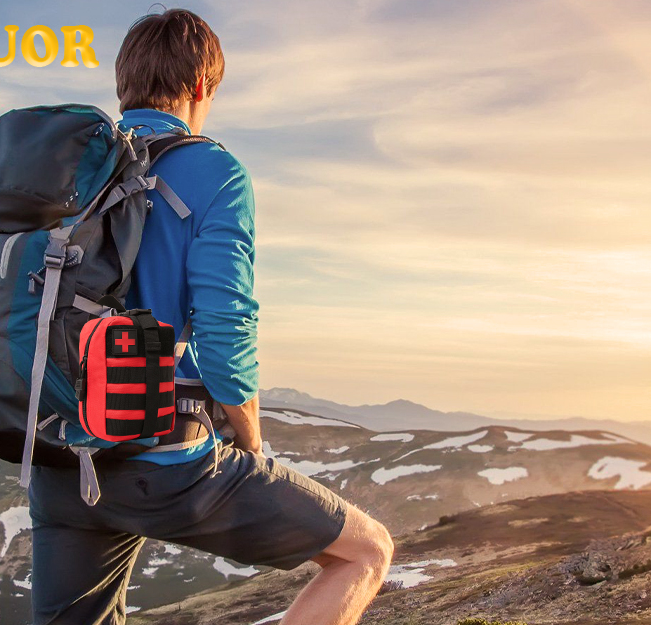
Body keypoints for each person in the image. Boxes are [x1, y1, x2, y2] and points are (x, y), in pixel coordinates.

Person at [26, 10, 394, 625]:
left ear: (123, 84)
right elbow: (226, 331)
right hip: (161, 461)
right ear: (203, 87)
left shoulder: (64, 171)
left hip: (57, 458)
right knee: (366, 552)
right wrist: (248, 440)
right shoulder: (214, 172)